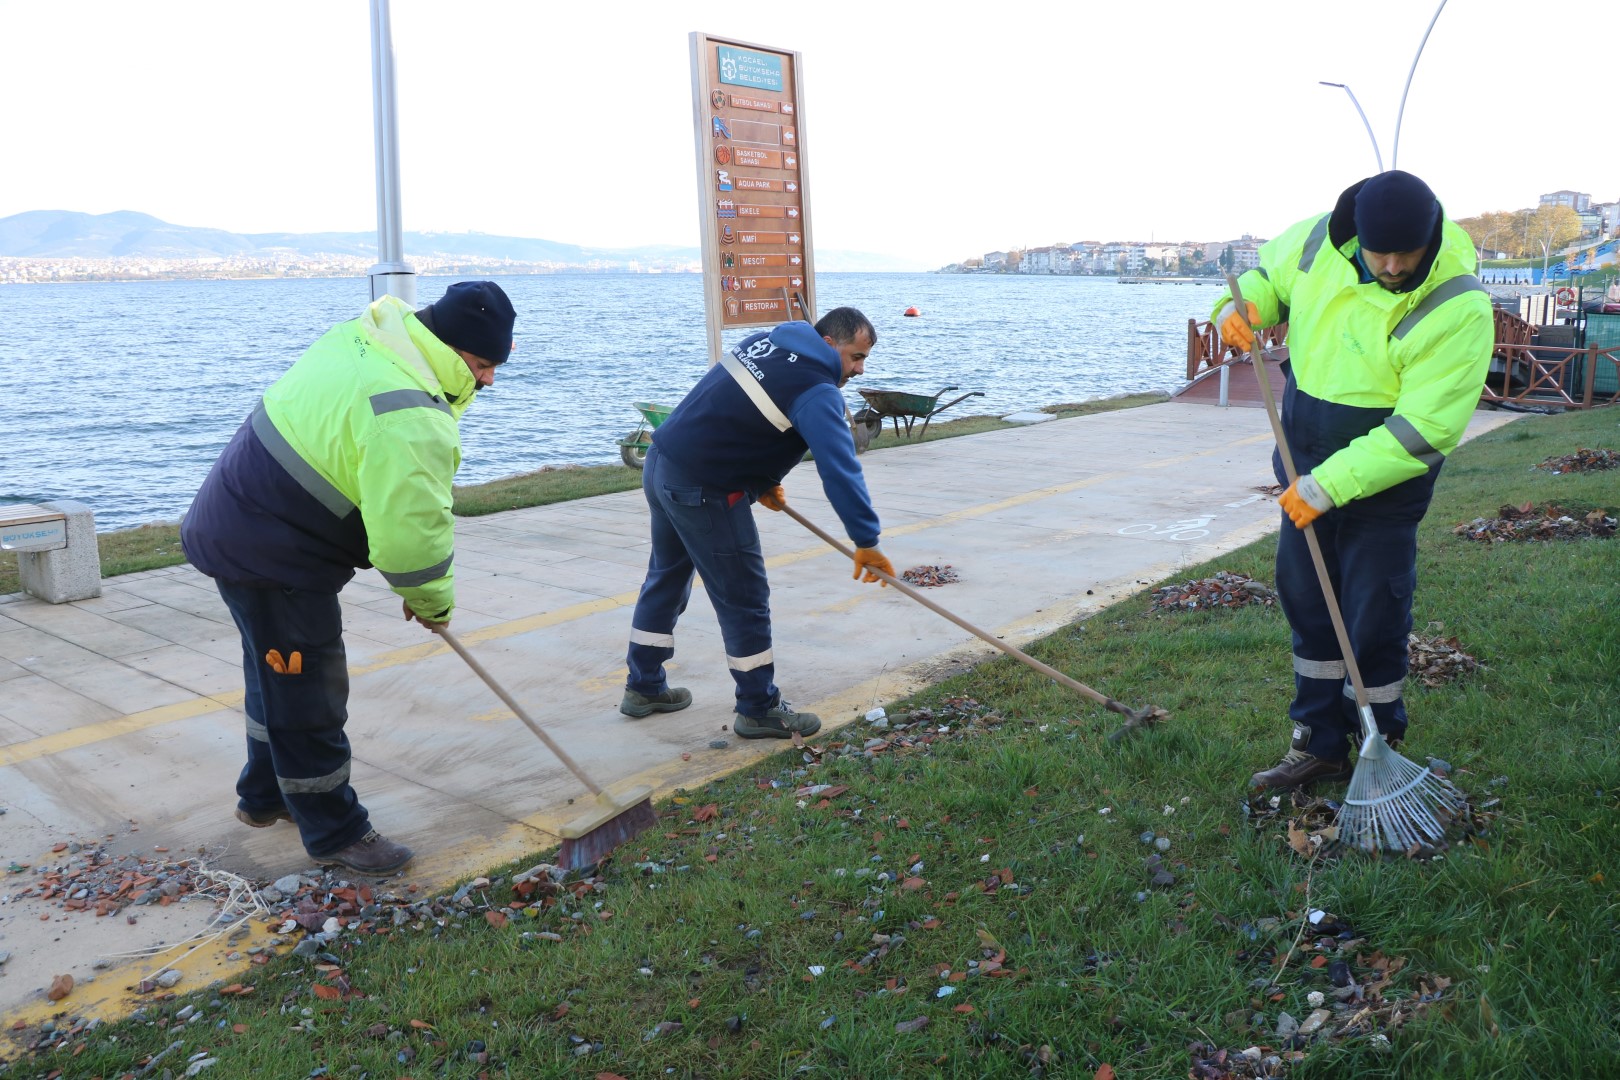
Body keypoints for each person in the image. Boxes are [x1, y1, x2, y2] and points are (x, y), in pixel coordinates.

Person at [181, 281, 517, 873]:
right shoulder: (410, 411)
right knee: (310, 691)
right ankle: (336, 831)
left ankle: (264, 797)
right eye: (483, 365)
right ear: (451, 346)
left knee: (276, 676)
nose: (489, 380)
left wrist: (415, 587)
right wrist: (430, 599)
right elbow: (410, 531)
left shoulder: (370, 338)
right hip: (272, 551)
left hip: (235, 519)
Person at [1212, 171, 1493, 790]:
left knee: (1372, 617)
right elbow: (1267, 278)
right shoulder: (1319, 240)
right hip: (1303, 471)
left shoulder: (1458, 304)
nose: (1392, 267)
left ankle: (1377, 740)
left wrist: (1328, 486)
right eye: (1378, 252)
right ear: (1353, 236)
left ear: (1432, 236)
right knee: (1309, 606)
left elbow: (1424, 429)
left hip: (1381, 490)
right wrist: (1242, 308)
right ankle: (1319, 744)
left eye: (1407, 254)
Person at [620, 306, 894, 739]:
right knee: (744, 597)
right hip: (705, 488)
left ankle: (644, 686)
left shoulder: (764, 342)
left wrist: (763, 480)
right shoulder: (818, 389)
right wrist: (866, 540)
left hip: (662, 463)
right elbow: (840, 470)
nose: (860, 369)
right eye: (856, 357)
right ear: (828, 344)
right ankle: (758, 708)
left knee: (666, 577)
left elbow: (740, 415)